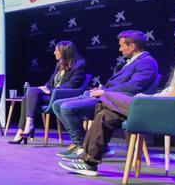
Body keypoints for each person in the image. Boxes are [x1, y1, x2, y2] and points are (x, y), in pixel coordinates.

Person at [60, 18, 175, 176]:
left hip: (167, 112)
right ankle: (89, 161)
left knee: (105, 99)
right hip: (167, 108)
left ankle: (88, 155)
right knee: (105, 115)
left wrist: (148, 99)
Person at [53, 29, 160, 161]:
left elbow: (134, 86)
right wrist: (102, 89)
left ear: (132, 46)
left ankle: (83, 146)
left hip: (117, 102)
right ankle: (86, 145)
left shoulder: (146, 62)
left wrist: (105, 92)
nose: (120, 49)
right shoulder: (132, 61)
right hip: (107, 96)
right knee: (57, 104)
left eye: (122, 45)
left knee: (67, 108)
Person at [7, 40, 87, 144]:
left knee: (31, 93)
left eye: (56, 50)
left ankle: (27, 127)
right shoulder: (59, 65)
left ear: (64, 51)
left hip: (63, 97)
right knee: (26, 97)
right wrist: (44, 88)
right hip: (52, 95)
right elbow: (50, 82)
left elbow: (72, 85)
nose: (54, 52)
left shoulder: (79, 65)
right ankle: (23, 129)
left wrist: (51, 90)